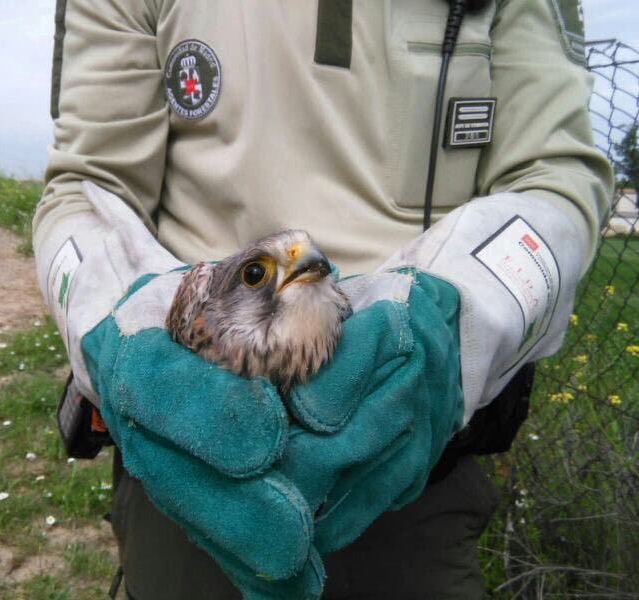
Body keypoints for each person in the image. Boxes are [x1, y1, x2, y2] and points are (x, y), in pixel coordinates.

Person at [33, 1, 612, 598]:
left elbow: (555, 180)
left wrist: (462, 319)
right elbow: (85, 189)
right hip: (185, 466)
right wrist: (115, 322)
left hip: (421, 475)